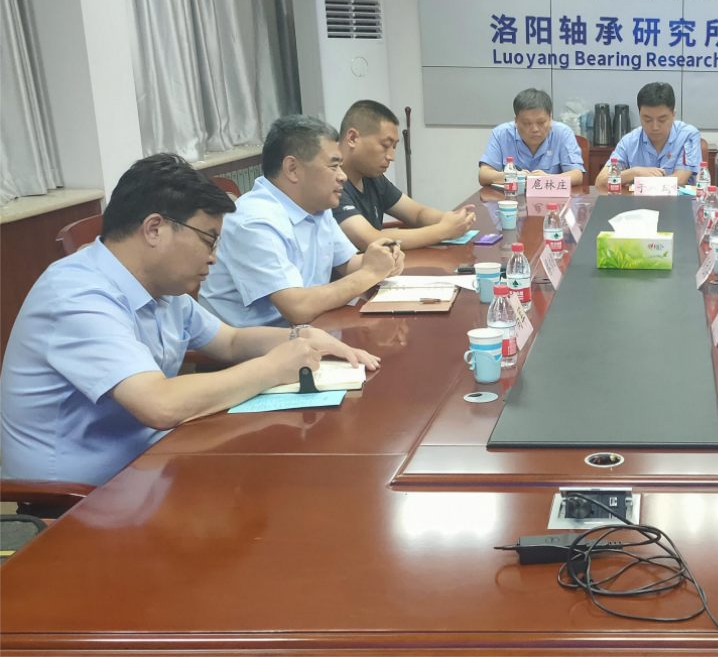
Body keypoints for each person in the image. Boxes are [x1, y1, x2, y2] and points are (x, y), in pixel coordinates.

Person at [0, 155, 379, 487]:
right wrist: (271, 368)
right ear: (154, 229)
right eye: (208, 241)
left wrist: (302, 337)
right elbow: (159, 405)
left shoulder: (161, 288)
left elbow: (230, 341)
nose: (213, 258)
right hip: (79, 501)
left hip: (152, 463)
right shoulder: (77, 296)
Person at [200, 115, 405, 328]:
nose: (342, 176)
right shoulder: (254, 221)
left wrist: (383, 261)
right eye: (333, 166)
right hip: (259, 343)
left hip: (310, 330)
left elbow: (347, 264)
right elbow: (297, 308)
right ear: (292, 169)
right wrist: (370, 272)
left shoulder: (316, 205)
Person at [336, 100, 476, 251]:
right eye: (385, 146)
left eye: (394, 147)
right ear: (353, 138)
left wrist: (453, 220)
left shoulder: (373, 178)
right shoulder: (331, 184)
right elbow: (370, 239)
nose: (391, 157)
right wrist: (444, 230)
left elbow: (417, 213)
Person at [593, 82, 701, 191]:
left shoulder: (688, 136)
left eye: (662, 119)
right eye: (647, 119)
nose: (655, 127)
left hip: (678, 200)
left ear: (673, 115)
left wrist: (636, 180)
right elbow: (600, 181)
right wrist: (635, 172)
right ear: (640, 115)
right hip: (637, 201)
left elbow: (680, 180)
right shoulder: (629, 141)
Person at [478, 88, 585, 187]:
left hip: (551, 198)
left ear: (550, 119)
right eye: (527, 123)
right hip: (512, 198)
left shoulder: (563, 133)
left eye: (541, 122)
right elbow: (484, 175)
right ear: (516, 121)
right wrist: (513, 177)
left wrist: (546, 179)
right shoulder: (501, 134)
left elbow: (576, 175)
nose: (535, 129)